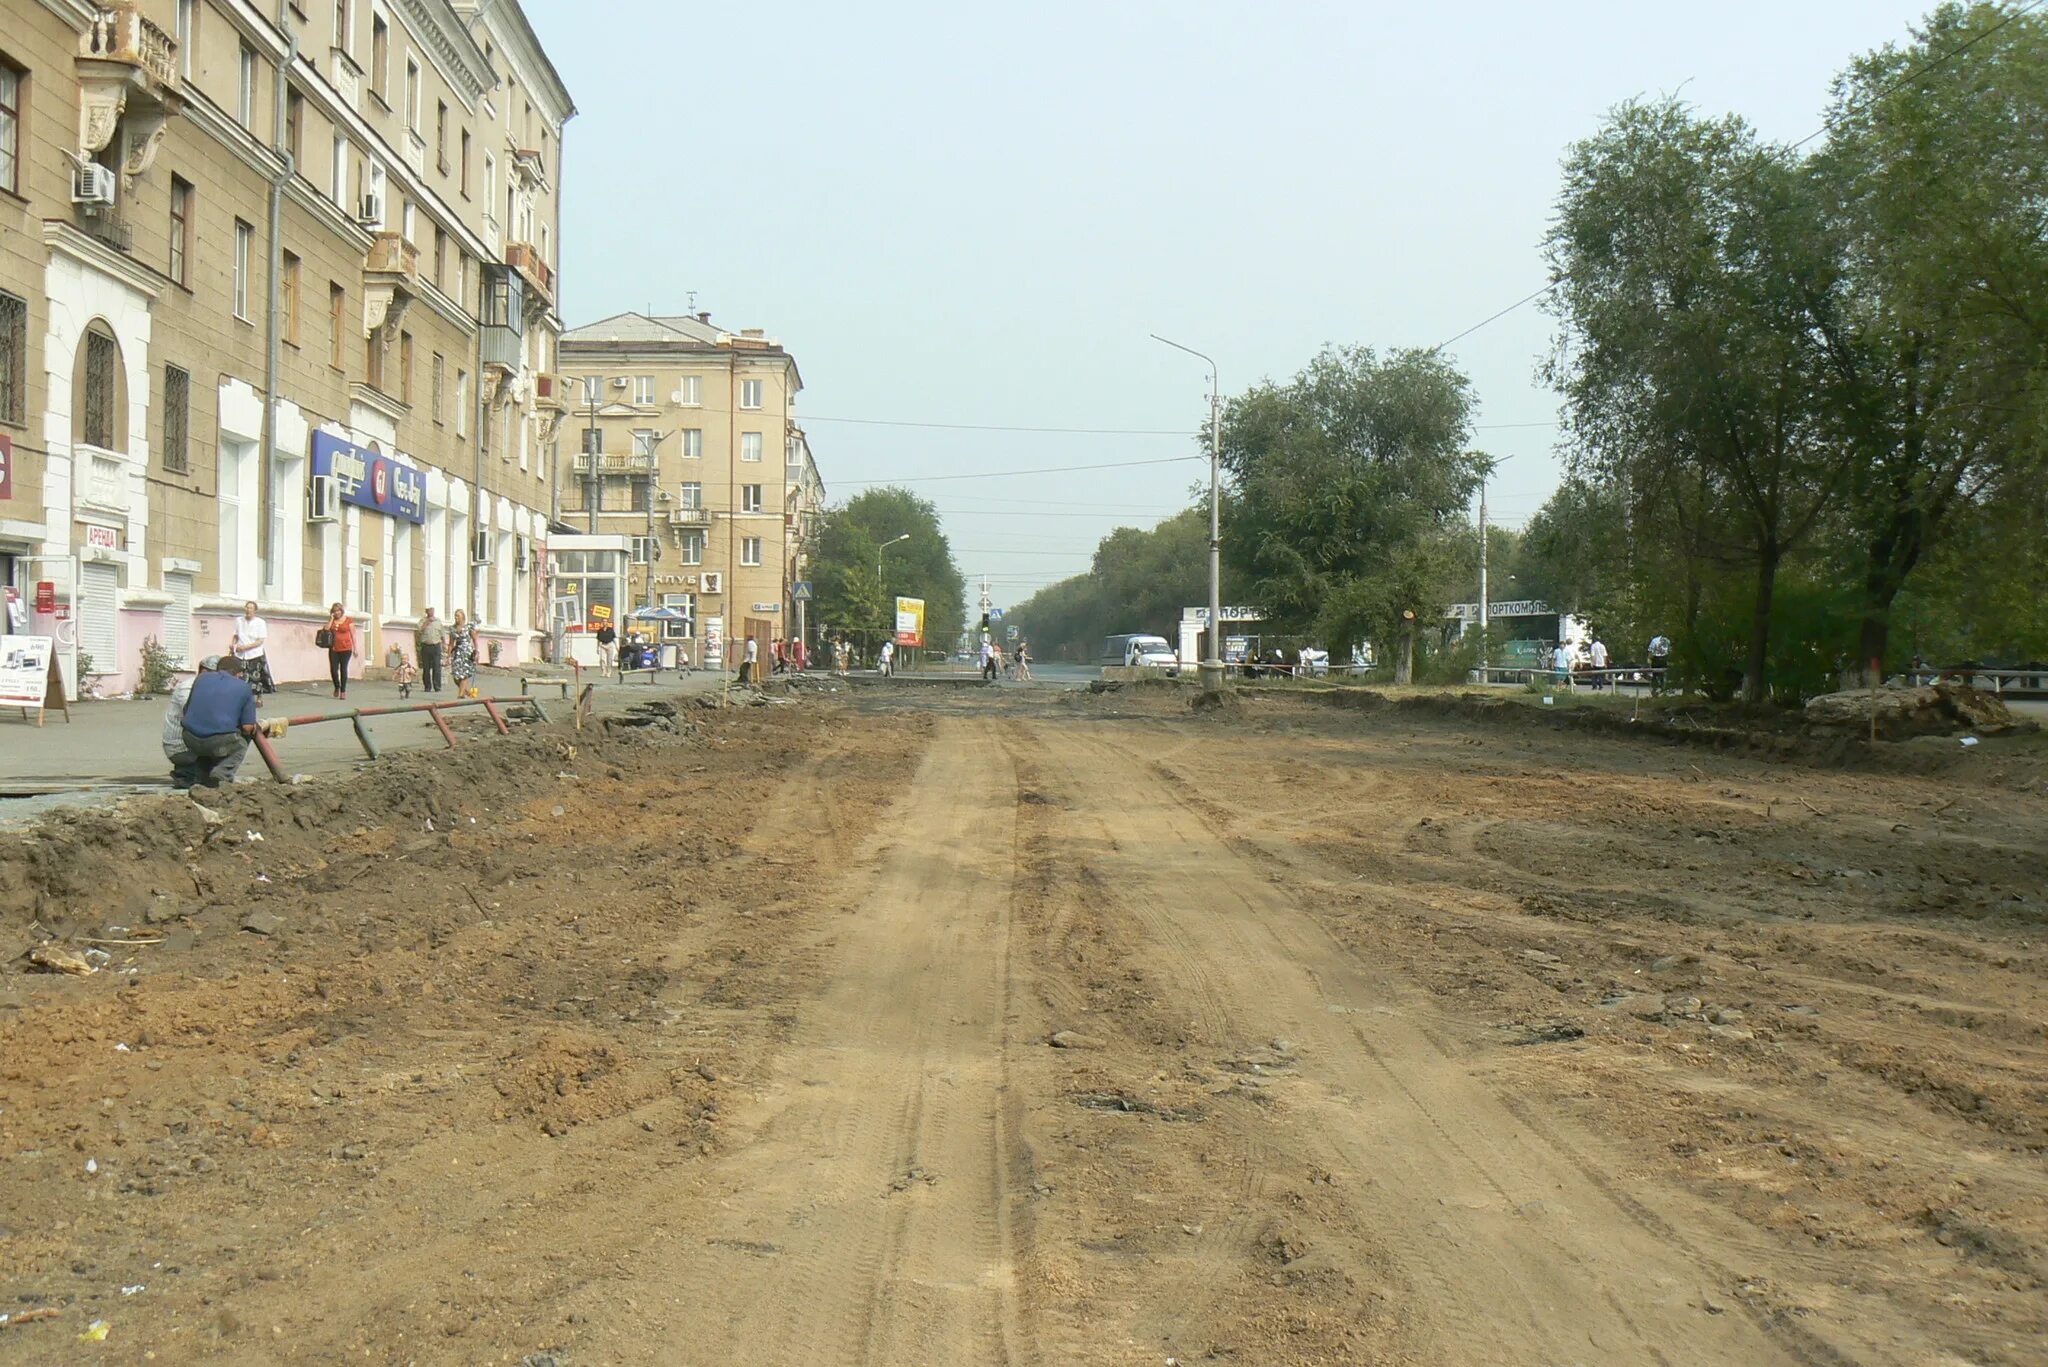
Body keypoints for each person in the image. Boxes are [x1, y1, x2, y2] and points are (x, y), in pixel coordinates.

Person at [181, 656, 260, 790]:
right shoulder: (244, 687)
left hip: (189, 737)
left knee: (206, 744)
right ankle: (222, 774)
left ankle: (201, 777)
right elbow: (247, 727)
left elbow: (186, 710)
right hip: (218, 740)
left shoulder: (201, 679)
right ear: (239, 673)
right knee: (241, 743)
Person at [162, 655, 218, 789]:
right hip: (180, 747)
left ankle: (208, 775)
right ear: (205, 672)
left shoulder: (209, 688)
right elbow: (196, 714)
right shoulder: (188, 688)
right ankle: (190, 774)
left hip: (194, 743)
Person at [230, 600, 271, 694]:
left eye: (250, 608)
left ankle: (257, 697)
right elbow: (236, 635)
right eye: (247, 608)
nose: (248, 610)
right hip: (240, 654)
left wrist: (246, 647)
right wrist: (233, 646)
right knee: (239, 676)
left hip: (254, 654)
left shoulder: (260, 622)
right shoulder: (239, 620)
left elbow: (260, 641)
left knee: (255, 678)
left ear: (255, 610)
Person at [321, 602, 356, 699]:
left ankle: (343, 691)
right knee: (333, 669)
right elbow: (326, 629)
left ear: (341, 611)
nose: (336, 613)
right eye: (334, 611)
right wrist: (331, 618)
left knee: (343, 669)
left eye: (338, 611)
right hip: (334, 648)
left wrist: (355, 648)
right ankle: (337, 686)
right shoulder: (332, 621)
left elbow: (353, 634)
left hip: (346, 648)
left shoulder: (348, 620)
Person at [416, 608, 447, 693]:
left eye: (432, 610)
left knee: (437, 667)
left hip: (436, 646)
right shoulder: (422, 620)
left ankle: (437, 686)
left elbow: (442, 633)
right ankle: (427, 686)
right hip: (426, 646)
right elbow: (420, 630)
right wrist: (427, 622)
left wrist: (444, 644)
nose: (431, 612)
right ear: (426, 612)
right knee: (426, 668)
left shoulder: (438, 621)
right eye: (429, 610)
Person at [450, 609, 478, 697]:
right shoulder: (452, 629)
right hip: (457, 652)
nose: (456, 617)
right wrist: (448, 656)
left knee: (464, 674)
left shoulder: (468, 627)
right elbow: (451, 643)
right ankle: (467, 692)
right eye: (455, 615)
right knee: (456, 676)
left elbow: (475, 640)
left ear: (463, 617)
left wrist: (476, 652)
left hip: (467, 653)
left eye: (458, 615)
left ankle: (461, 695)